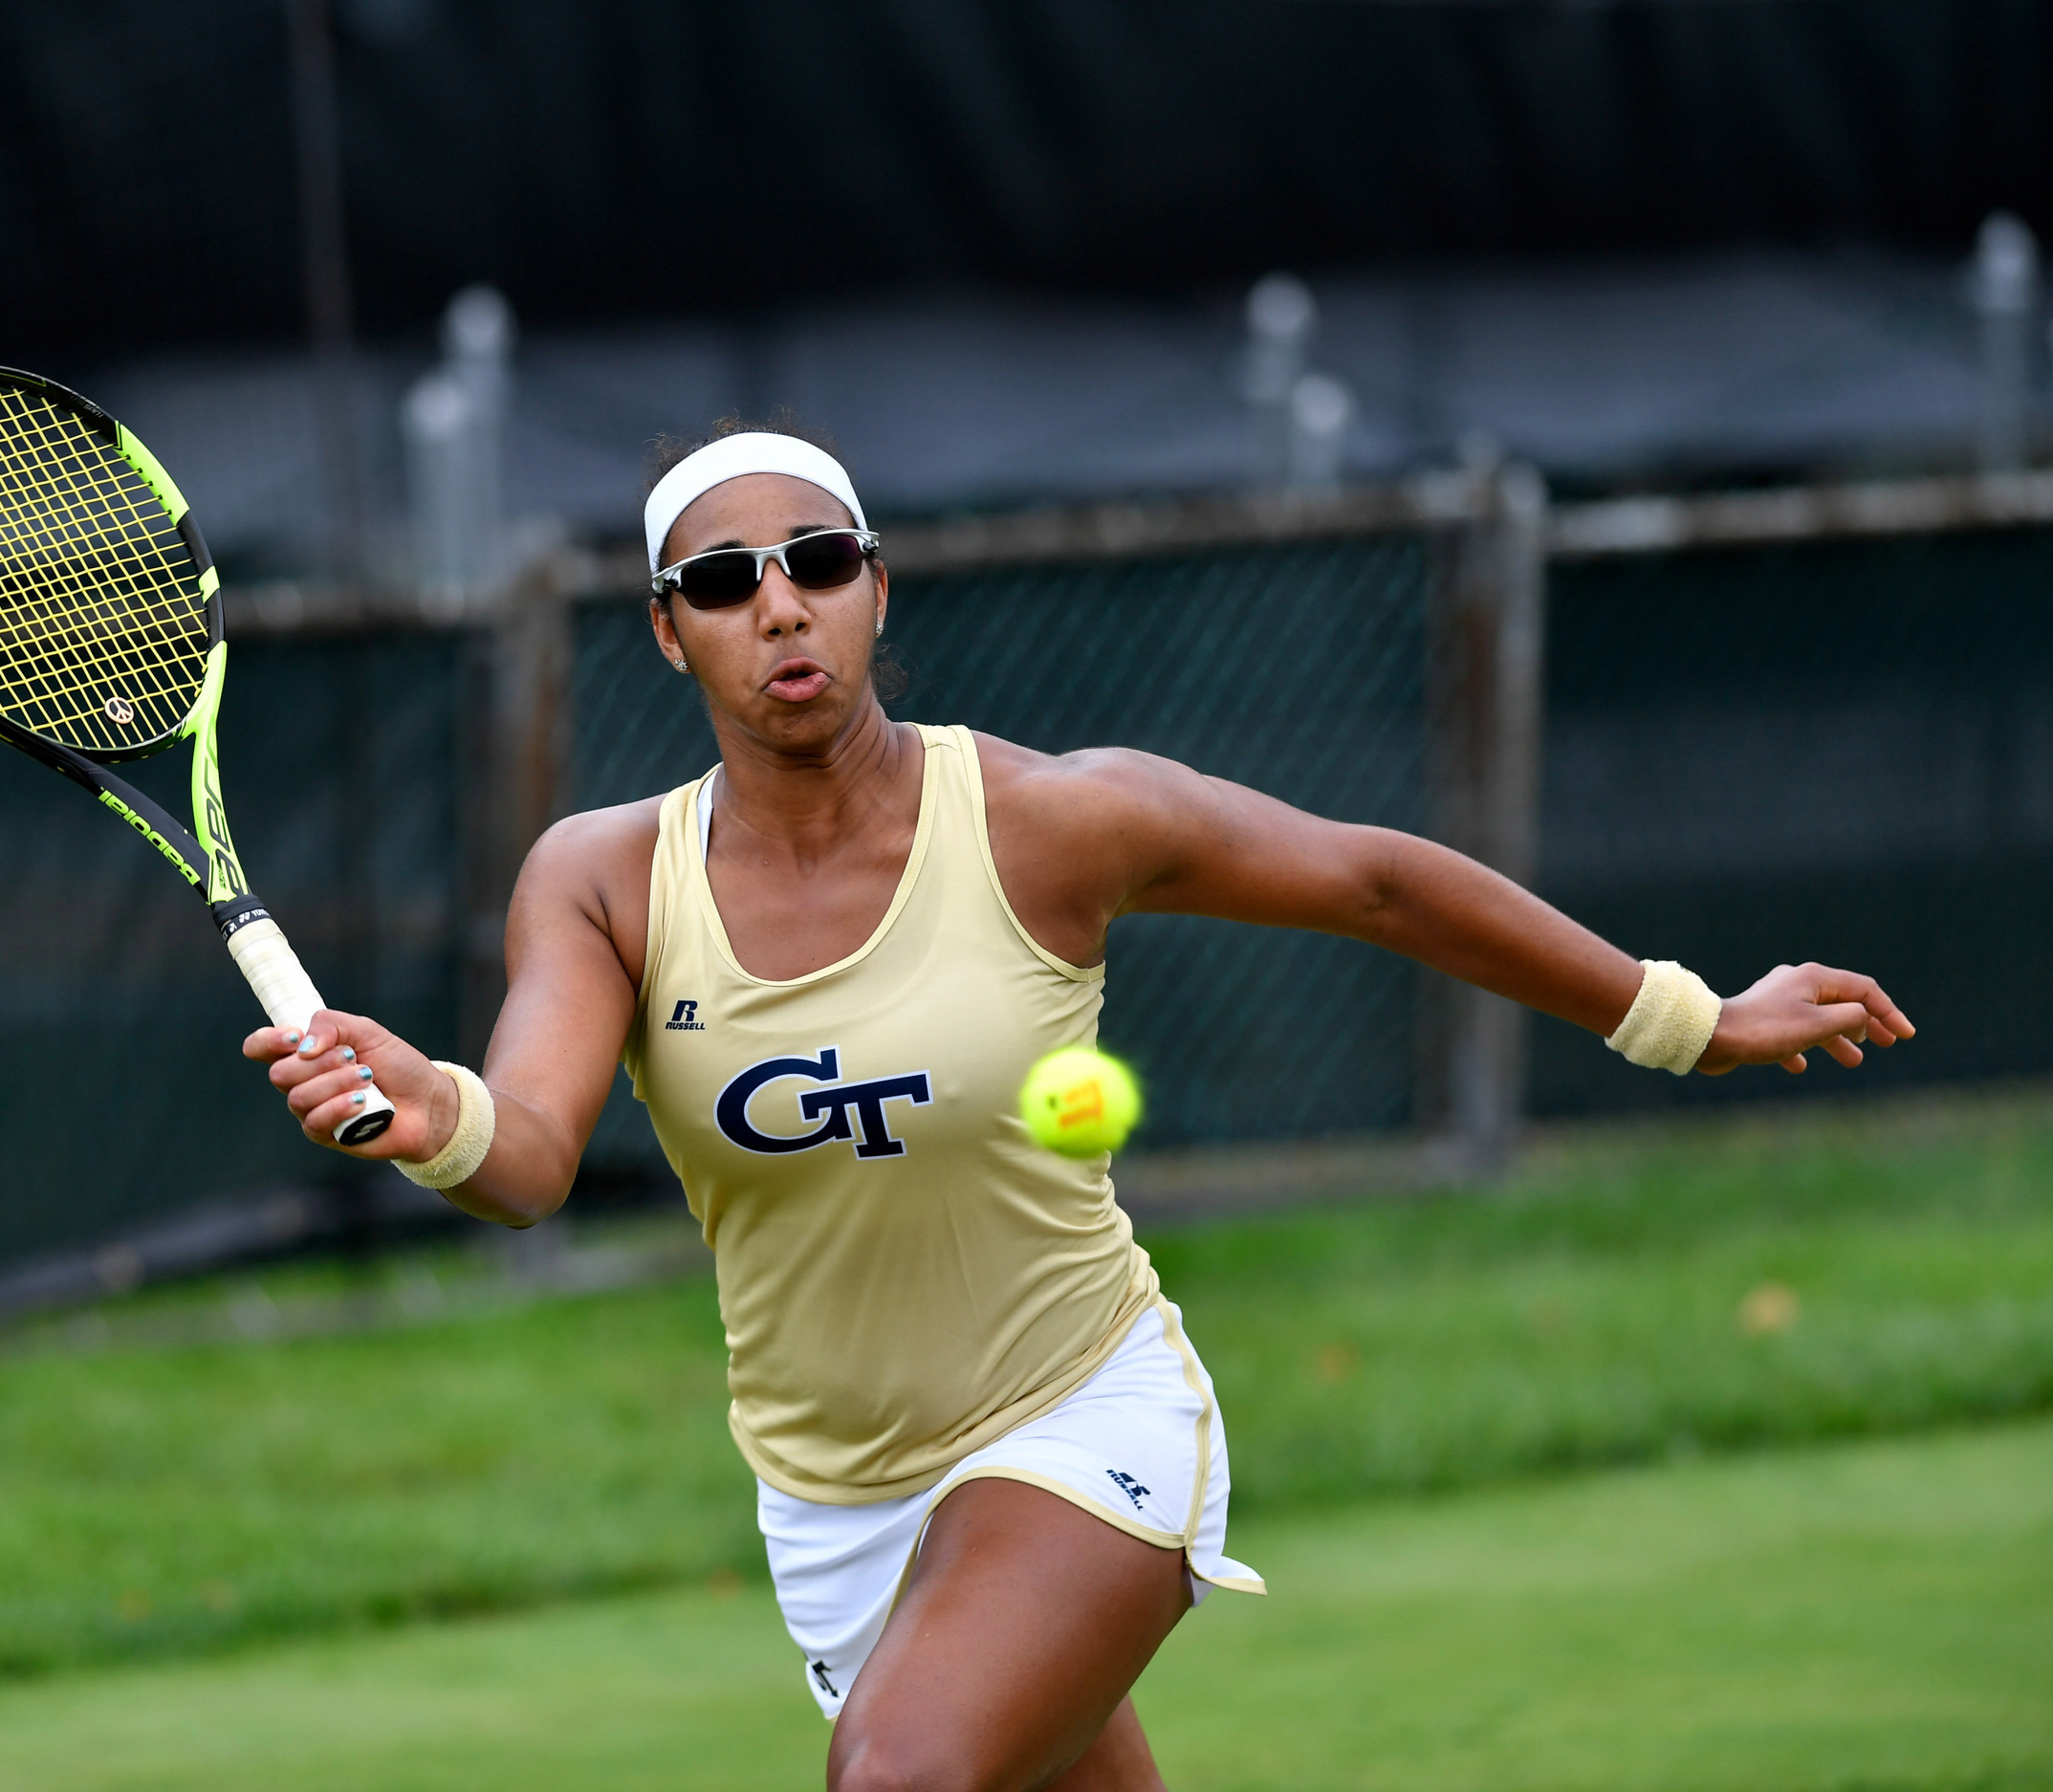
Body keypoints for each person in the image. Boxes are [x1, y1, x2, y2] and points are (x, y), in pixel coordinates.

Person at [246, 424, 1913, 1792]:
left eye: (819, 563)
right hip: (835, 1503)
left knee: (895, 1779)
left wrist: (1691, 1017)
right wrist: (433, 1111)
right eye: (725, 580)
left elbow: (1377, 884)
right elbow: (527, 1151)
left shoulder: (1051, 820)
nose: (782, 606)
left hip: (1080, 1415)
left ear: (878, 591)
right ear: (668, 627)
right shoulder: (605, 878)